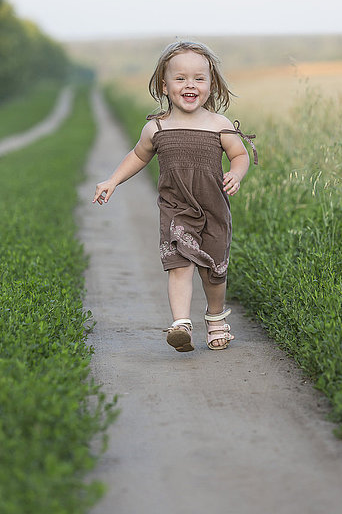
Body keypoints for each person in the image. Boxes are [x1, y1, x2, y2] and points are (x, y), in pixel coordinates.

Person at [92, 40, 258, 352]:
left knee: (214, 272)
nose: (190, 85)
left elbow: (241, 155)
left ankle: (216, 318)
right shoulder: (156, 128)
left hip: (214, 209)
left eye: (199, 78)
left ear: (211, 85)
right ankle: (181, 324)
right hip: (176, 209)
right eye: (180, 79)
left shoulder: (219, 125)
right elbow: (138, 157)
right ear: (164, 86)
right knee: (179, 264)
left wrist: (235, 173)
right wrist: (113, 180)